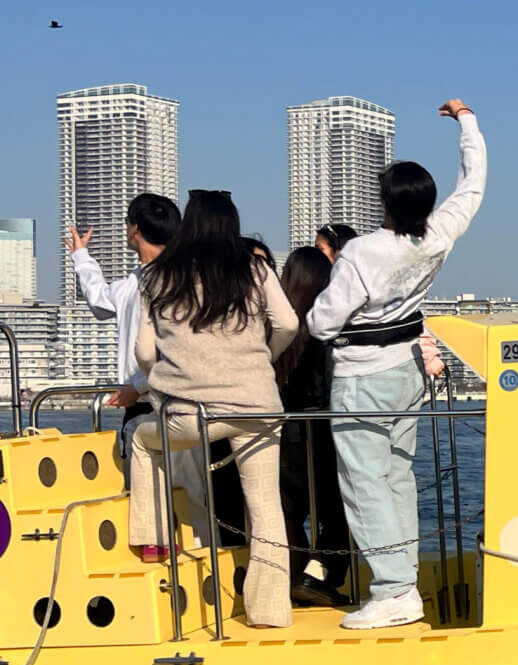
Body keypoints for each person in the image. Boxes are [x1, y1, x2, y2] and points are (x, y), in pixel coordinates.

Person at [305, 98, 486, 629]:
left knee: (364, 482)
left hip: (362, 377)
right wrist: (467, 120)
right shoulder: (439, 235)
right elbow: (473, 184)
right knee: (397, 476)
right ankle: (402, 577)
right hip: (407, 369)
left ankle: (393, 590)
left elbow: (321, 323)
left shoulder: (362, 252)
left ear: (384, 203)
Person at [132, 190, 298, 628]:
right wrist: (264, 353)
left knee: (143, 441)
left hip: (193, 411)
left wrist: (167, 371)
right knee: (265, 506)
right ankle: (270, 610)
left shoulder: (159, 276)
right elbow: (290, 323)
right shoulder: (255, 269)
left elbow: (144, 351)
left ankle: (153, 539)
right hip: (258, 405)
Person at [69, 193, 180, 545]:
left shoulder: (160, 280)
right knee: (171, 491)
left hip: (160, 396)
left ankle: (159, 551)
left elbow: (172, 349)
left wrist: (142, 387)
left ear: (135, 230)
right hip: (145, 398)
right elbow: (101, 301)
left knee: (157, 489)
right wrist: (81, 256)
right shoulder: (141, 278)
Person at [275, 246, 351, 601]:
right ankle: (320, 576)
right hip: (323, 424)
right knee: (338, 510)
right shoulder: (328, 325)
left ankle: (295, 574)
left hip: (283, 427)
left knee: (289, 511)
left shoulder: (278, 325)